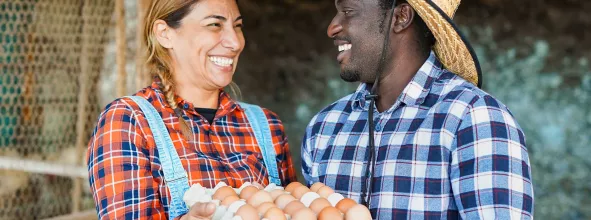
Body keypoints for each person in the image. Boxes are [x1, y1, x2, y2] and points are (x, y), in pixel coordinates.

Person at [301, 0, 534, 219]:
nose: (332, 27)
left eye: (349, 11)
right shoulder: (324, 127)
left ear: (401, 17)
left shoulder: (473, 119)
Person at [87, 0, 297, 219]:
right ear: (165, 33)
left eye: (237, 26)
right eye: (215, 25)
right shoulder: (128, 122)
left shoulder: (267, 124)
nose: (235, 42)